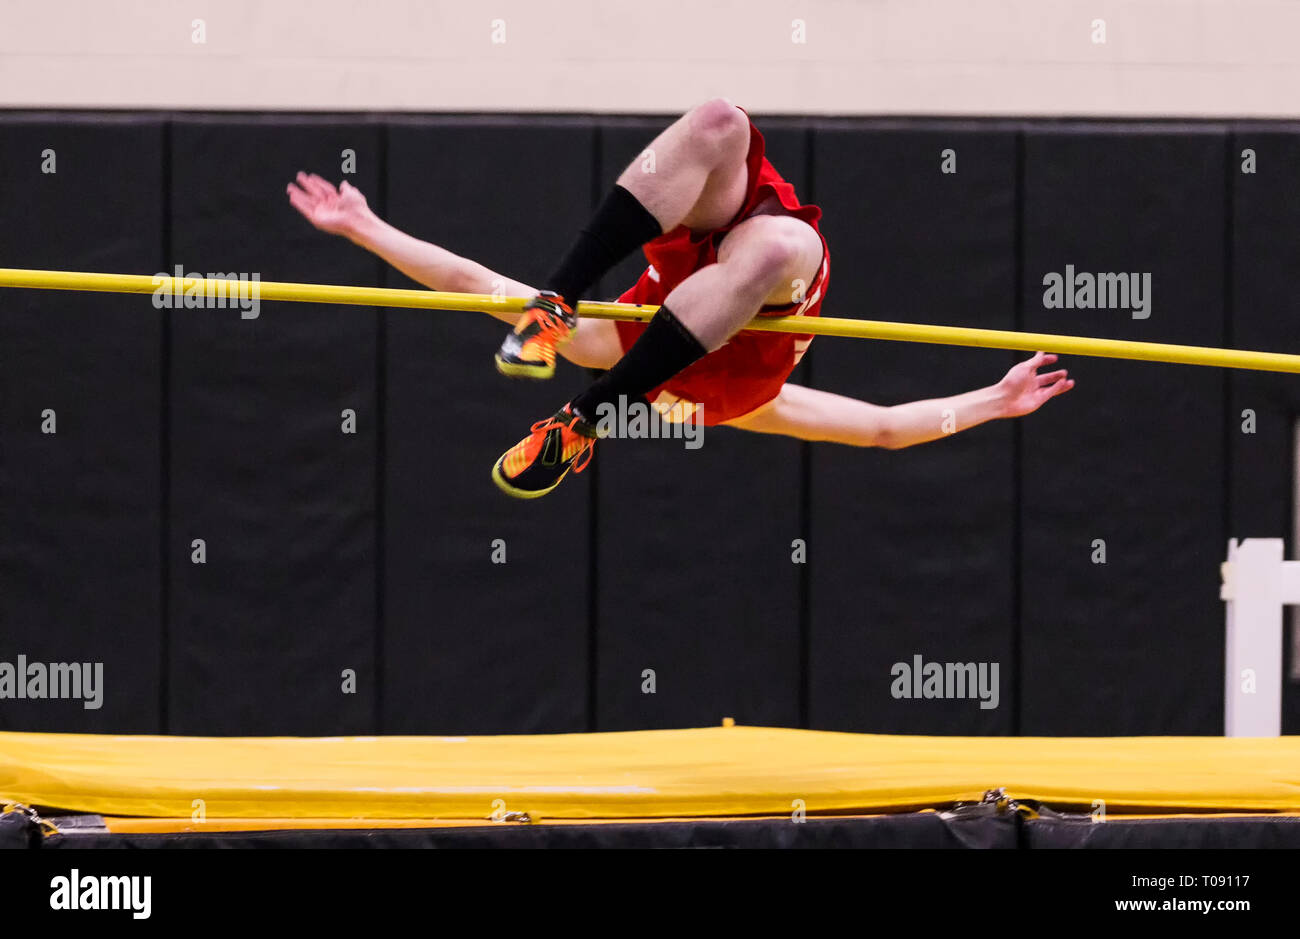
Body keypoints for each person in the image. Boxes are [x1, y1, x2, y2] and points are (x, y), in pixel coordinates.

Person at [287, 99, 1073, 498]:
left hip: (710, 250)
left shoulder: (621, 343)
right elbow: (881, 429)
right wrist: (992, 400)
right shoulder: (747, 399)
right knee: (772, 246)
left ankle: (559, 315)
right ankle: (581, 410)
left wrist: (366, 228)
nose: (680, 410)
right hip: (776, 258)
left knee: (718, 123)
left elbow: (470, 282)